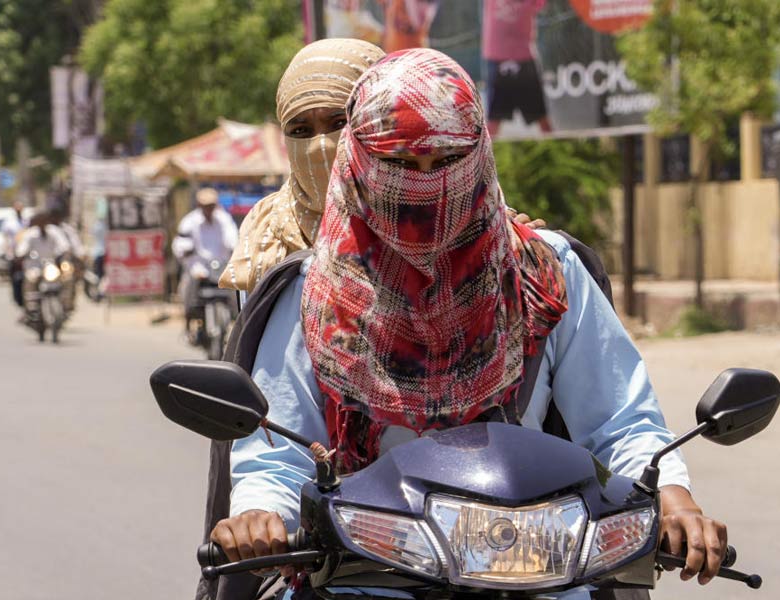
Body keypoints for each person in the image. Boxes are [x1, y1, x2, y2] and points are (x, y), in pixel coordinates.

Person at [212, 49, 727, 599]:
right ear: (359, 162)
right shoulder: (312, 291)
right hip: (366, 579)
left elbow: (620, 421)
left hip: (540, 575)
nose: (428, 186)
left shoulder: (543, 274)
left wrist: (674, 495)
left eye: (448, 160)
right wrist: (259, 514)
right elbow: (278, 454)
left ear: (478, 152)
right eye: (403, 165)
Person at [219, 38, 387, 293]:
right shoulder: (265, 231)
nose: (319, 147)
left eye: (339, 123)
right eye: (300, 130)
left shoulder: (423, 216)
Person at [173, 188, 238, 336]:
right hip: (198, 268)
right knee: (188, 290)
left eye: (211, 205)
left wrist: (234, 249)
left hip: (221, 267)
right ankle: (188, 321)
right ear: (199, 205)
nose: (209, 209)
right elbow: (180, 244)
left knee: (236, 292)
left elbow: (232, 240)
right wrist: (186, 250)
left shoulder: (224, 219)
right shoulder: (189, 222)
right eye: (206, 206)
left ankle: (238, 321)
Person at [482, 0, 552, 138]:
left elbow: (541, 6)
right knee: (493, 122)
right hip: (498, 59)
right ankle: (483, 159)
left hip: (524, 59)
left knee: (543, 120)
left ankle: (557, 156)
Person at [4, 201, 29, 306]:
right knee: (15, 278)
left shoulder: (26, 222)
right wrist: (8, 253)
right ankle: (17, 298)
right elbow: (6, 239)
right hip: (13, 255)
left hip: (25, 255)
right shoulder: (9, 223)